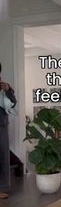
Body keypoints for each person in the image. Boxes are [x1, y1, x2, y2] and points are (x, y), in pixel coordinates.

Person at [0, 63, 17, 199]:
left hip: (1, 124)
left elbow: (13, 102)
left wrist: (8, 90)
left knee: (3, 155)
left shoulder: (4, 86)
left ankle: (2, 187)